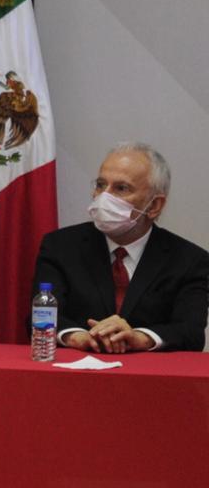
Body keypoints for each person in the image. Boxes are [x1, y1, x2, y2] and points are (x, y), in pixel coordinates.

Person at [31, 142, 209, 352]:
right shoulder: (60, 246)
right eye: (100, 185)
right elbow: (40, 315)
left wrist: (140, 337)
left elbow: (190, 332)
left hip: (147, 371)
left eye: (121, 188)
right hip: (77, 366)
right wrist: (76, 336)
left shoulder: (190, 260)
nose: (103, 196)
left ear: (154, 206)